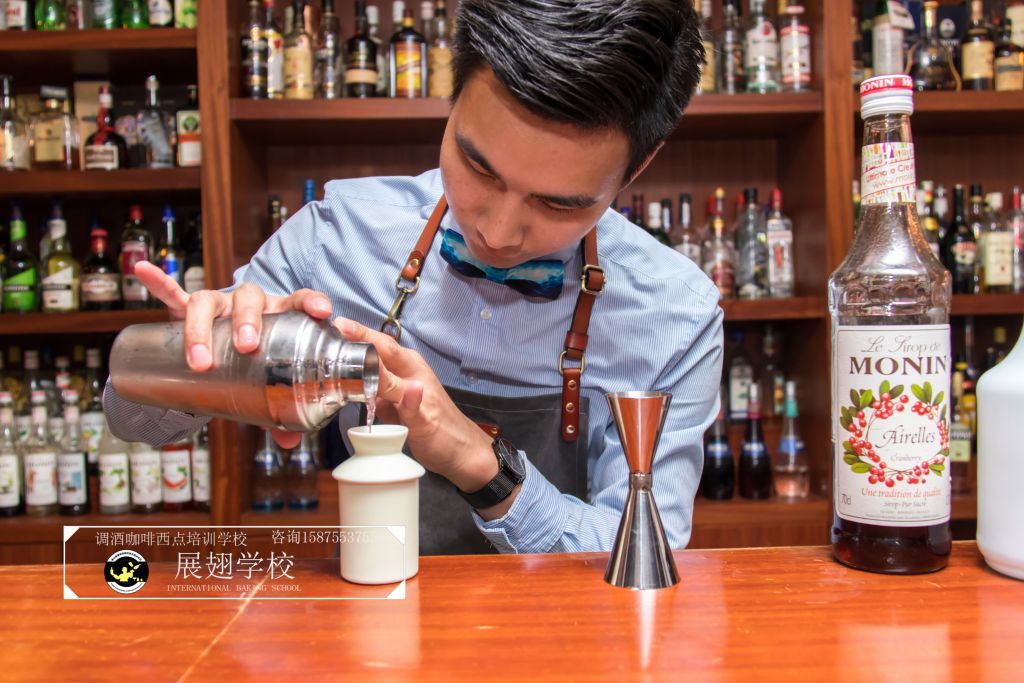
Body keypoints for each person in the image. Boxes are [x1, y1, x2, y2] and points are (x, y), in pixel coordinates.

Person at [103, 0, 722, 555]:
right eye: (477, 167)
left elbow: (646, 553)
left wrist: (480, 464)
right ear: (452, 95)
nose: (498, 232)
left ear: (639, 165)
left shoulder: (675, 316)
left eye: (558, 204)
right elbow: (129, 420)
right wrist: (196, 360)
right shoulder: (336, 238)